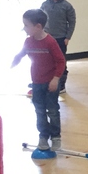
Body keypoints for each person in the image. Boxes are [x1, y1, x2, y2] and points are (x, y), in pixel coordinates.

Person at [12, 9, 66, 151]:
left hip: (50, 83)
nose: (24, 28)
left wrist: (55, 79)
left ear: (38, 27)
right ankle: (43, 136)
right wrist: (16, 59)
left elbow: (61, 61)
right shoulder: (28, 41)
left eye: (26, 25)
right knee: (39, 110)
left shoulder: (50, 42)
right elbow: (23, 53)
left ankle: (56, 137)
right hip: (37, 83)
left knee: (52, 110)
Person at [40, 0, 76, 95]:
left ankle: (61, 85)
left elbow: (72, 22)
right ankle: (46, 82)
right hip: (46, 38)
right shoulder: (45, 5)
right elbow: (40, 20)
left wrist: (68, 37)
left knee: (61, 61)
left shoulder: (67, 6)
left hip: (61, 39)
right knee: (46, 61)